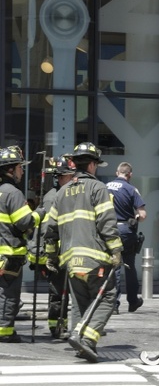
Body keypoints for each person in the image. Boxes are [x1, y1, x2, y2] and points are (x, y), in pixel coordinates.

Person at [44, 142, 123, 363]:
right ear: (91, 164)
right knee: (107, 298)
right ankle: (87, 340)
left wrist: (51, 257)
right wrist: (116, 250)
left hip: (71, 262)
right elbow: (107, 223)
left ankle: (79, 342)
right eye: (96, 164)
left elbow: (50, 230)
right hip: (95, 259)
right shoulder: (98, 189)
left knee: (80, 302)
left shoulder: (62, 193)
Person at [0, 146, 46, 343]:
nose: (22, 171)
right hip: (9, 254)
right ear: (12, 169)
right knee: (9, 295)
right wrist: (39, 213)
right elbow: (24, 223)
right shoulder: (13, 193)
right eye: (20, 167)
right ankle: (5, 332)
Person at [27, 155, 75, 339]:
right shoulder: (52, 198)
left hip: (64, 252)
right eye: (69, 176)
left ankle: (60, 325)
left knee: (63, 291)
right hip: (55, 254)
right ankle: (56, 327)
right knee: (58, 292)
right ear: (61, 177)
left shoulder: (62, 194)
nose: (72, 179)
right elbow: (47, 229)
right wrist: (50, 256)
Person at [106, 162, 147, 314]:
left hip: (108, 230)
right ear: (130, 175)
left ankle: (113, 304)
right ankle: (133, 301)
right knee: (129, 266)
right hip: (126, 230)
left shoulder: (105, 187)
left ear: (117, 173)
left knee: (113, 266)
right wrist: (136, 216)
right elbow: (142, 214)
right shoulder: (131, 189)